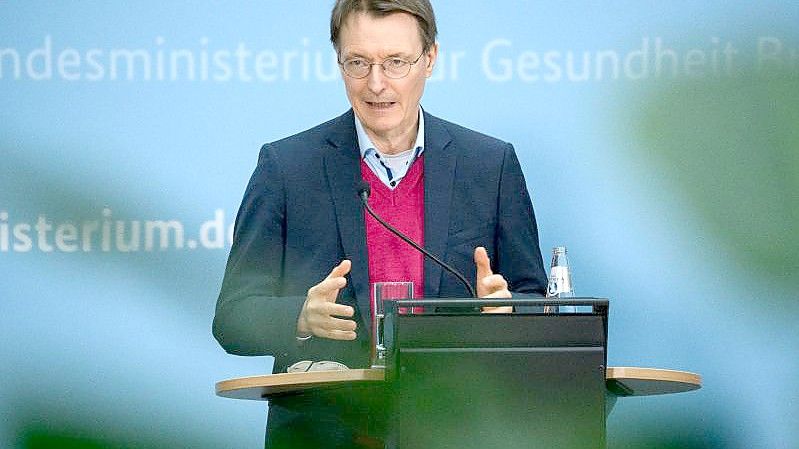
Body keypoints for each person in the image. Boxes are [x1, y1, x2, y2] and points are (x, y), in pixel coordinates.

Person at [213, 0, 547, 447]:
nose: (376, 83)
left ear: (430, 59)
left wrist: (505, 314)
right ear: (338, 63)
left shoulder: (489, 166)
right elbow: (233, 317)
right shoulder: (287, 167)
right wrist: (300, 316)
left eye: (395, 62)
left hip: (456, 428)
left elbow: (537, 303)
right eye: (358, 63)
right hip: (326, 430)